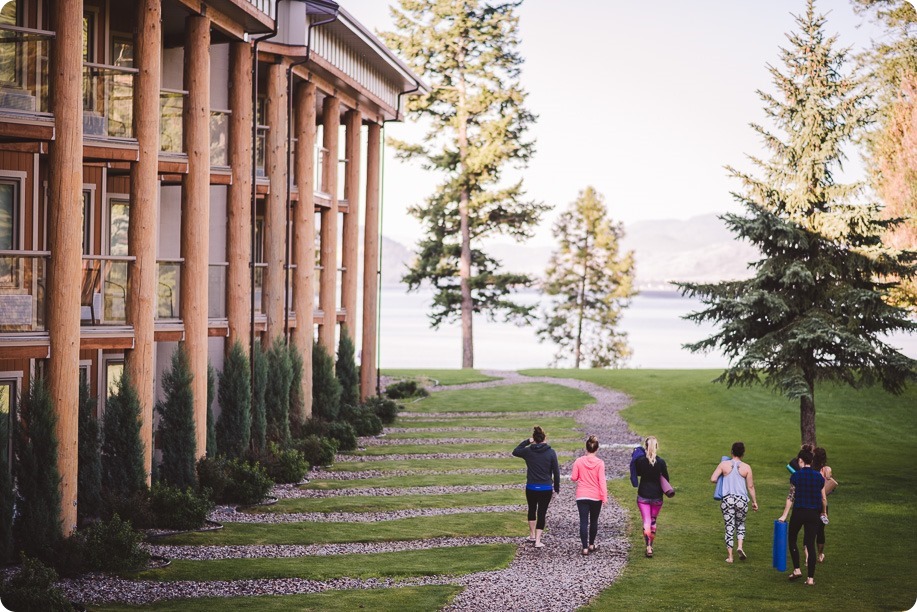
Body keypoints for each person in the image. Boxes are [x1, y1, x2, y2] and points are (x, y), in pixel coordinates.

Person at [777, 447, 827, 585]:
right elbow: (823, 499)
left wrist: (784, 515)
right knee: (810, 544)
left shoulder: (796, 476)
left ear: (800, 460)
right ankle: (810, 578)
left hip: (799, 511)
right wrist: (823, 512)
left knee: (792, 539)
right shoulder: (819, 477)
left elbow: (791, 496)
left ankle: (797, 569)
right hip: (813, 514)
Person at [710, 442, 758, 563]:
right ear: (743, 454)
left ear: (731, 451)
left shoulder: (724, 464)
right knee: (740, 524)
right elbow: (750, 486)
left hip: (728, 500)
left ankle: (730, 557)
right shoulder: (746, 467)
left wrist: (723, 479)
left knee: (729, 526)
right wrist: (754, 501)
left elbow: (713, 479)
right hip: (742, 500)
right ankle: (740, 546)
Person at [512, 425, 560, 548]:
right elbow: (556, 471)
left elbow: (515, 451)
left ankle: (532, 535)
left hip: (531, 487)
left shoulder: (528, 451)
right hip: (545, 488)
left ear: (535, 438)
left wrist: (528, 441)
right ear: (545, 438)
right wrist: (557, 488)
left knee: (532, 509)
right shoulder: (551, 452)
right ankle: (538, 541)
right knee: (542, 513)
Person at [570, 435, 608, 556]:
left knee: (583, 521)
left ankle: (584, 547)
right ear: (597, 449)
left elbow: (574, 477)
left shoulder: (578, 461)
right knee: (594, 521)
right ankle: (591, 544)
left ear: (586, 448)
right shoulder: (600, 463)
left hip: (582, 495)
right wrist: (604, 496)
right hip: (596, 496)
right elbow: (602, 481)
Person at [634, 435, 670, 558]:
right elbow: (666, 480)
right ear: (656, 447)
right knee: (653, 521)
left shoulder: (640, 461)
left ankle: (648, 546)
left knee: (646, 521)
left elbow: (637, 473)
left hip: (643, 494)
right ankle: (650, 545)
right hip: (657, 497)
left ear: (646, 447)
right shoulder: (661, 462)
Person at [812, 447, 833, 563]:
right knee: (821, 530)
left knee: (810, 529)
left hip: (812, 502)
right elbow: (829, 481)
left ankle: (808, 554)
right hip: (823, 503)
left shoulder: (810, 469)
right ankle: (820, 554)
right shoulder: (826, 470)